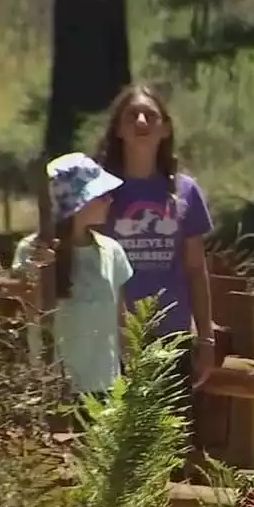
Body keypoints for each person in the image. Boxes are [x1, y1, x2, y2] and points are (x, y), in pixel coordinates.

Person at [94, 84, 217, 399]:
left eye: (150, 115)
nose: (141, 122)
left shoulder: (185, 191)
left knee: (166, 438)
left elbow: (194, 269)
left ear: (165, 128)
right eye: (131, 115)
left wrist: (205, 337)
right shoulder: (99, 191)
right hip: (111, 336)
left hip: (171, 335)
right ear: (118, 129)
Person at [12, 152, 133, 399]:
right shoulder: (33, 250)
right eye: (100, 195)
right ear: (78, 204)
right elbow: (27, 311)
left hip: (106, 387)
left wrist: (132, 370)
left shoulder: (112, 251)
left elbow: (121, 320)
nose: (109, 199)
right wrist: (38, 272)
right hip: (55, 388)